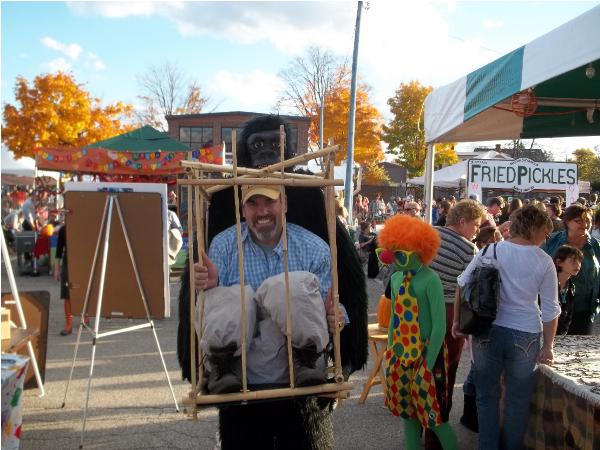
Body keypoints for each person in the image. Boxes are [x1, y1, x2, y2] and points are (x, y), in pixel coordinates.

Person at [193, 184, 346, 448]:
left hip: (299, 375)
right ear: (243, 210)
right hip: (240, 375)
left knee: (288, 286)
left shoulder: (314, 248)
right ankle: (223, 366)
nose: (262, 211)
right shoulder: (224, 245)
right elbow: (213, 313)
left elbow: (330, 308)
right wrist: (212, 286)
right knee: (228, 296)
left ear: (284, 204)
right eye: (253, 204)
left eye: (269, 202)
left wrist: (337, 317)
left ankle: (308, 359)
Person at [454, 205, 560, 450]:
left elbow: (462, 283)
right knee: (517, 400)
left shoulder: (490, 250)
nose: (546, 237)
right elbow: (551, 309)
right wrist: (548, 345)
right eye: (545, 232)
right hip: (526, 333)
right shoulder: (544, 261)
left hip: (486, 330)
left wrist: (457, 322)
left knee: (486, 396)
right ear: (535, 229)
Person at [376, 214, 458, 450]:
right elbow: (394, 320)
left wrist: (428, 365)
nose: (393, 259)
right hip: (400, 355)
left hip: (426, 356)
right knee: (408, 418)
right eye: (391, 253)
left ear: (420, 251)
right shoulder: (396, 278)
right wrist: (390, 353)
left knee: (436, 419)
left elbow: (440, 326)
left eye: (400, 254)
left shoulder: (431, 280)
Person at [425, 199, 487, 449]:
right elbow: (468, 289)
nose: (476, 230)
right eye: (476, 225)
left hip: (418, 308)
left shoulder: (427, 232)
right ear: (462, 221)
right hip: (448, 311)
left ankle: (417, 422)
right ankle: (435, 435)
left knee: (420, 367)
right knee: (445, 372)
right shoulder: (468, 249)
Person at [542, 204, 600, 335]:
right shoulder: (551, 241)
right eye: (578, 221)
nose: (584, 224)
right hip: (554, 305)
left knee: (580, 350)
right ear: (567, 221)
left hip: (584, 309)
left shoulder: (596, 246)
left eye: (588, 220)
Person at [552, 245, 584, 335]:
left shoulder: (571, 286)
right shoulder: (547, 284)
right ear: (559, 262)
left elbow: (568, 318)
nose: (578, 264)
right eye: (573, 260)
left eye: (579, 260)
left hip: (561, 337)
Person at [54, 224, 72, 336]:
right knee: (67, 294)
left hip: (82, 260)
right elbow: (59, 251)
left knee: (83, 291)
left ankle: (84, 316)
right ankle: (68, 324)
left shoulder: (84, 225)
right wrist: (56, 269)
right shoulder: (63, 230)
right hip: (67, 262)